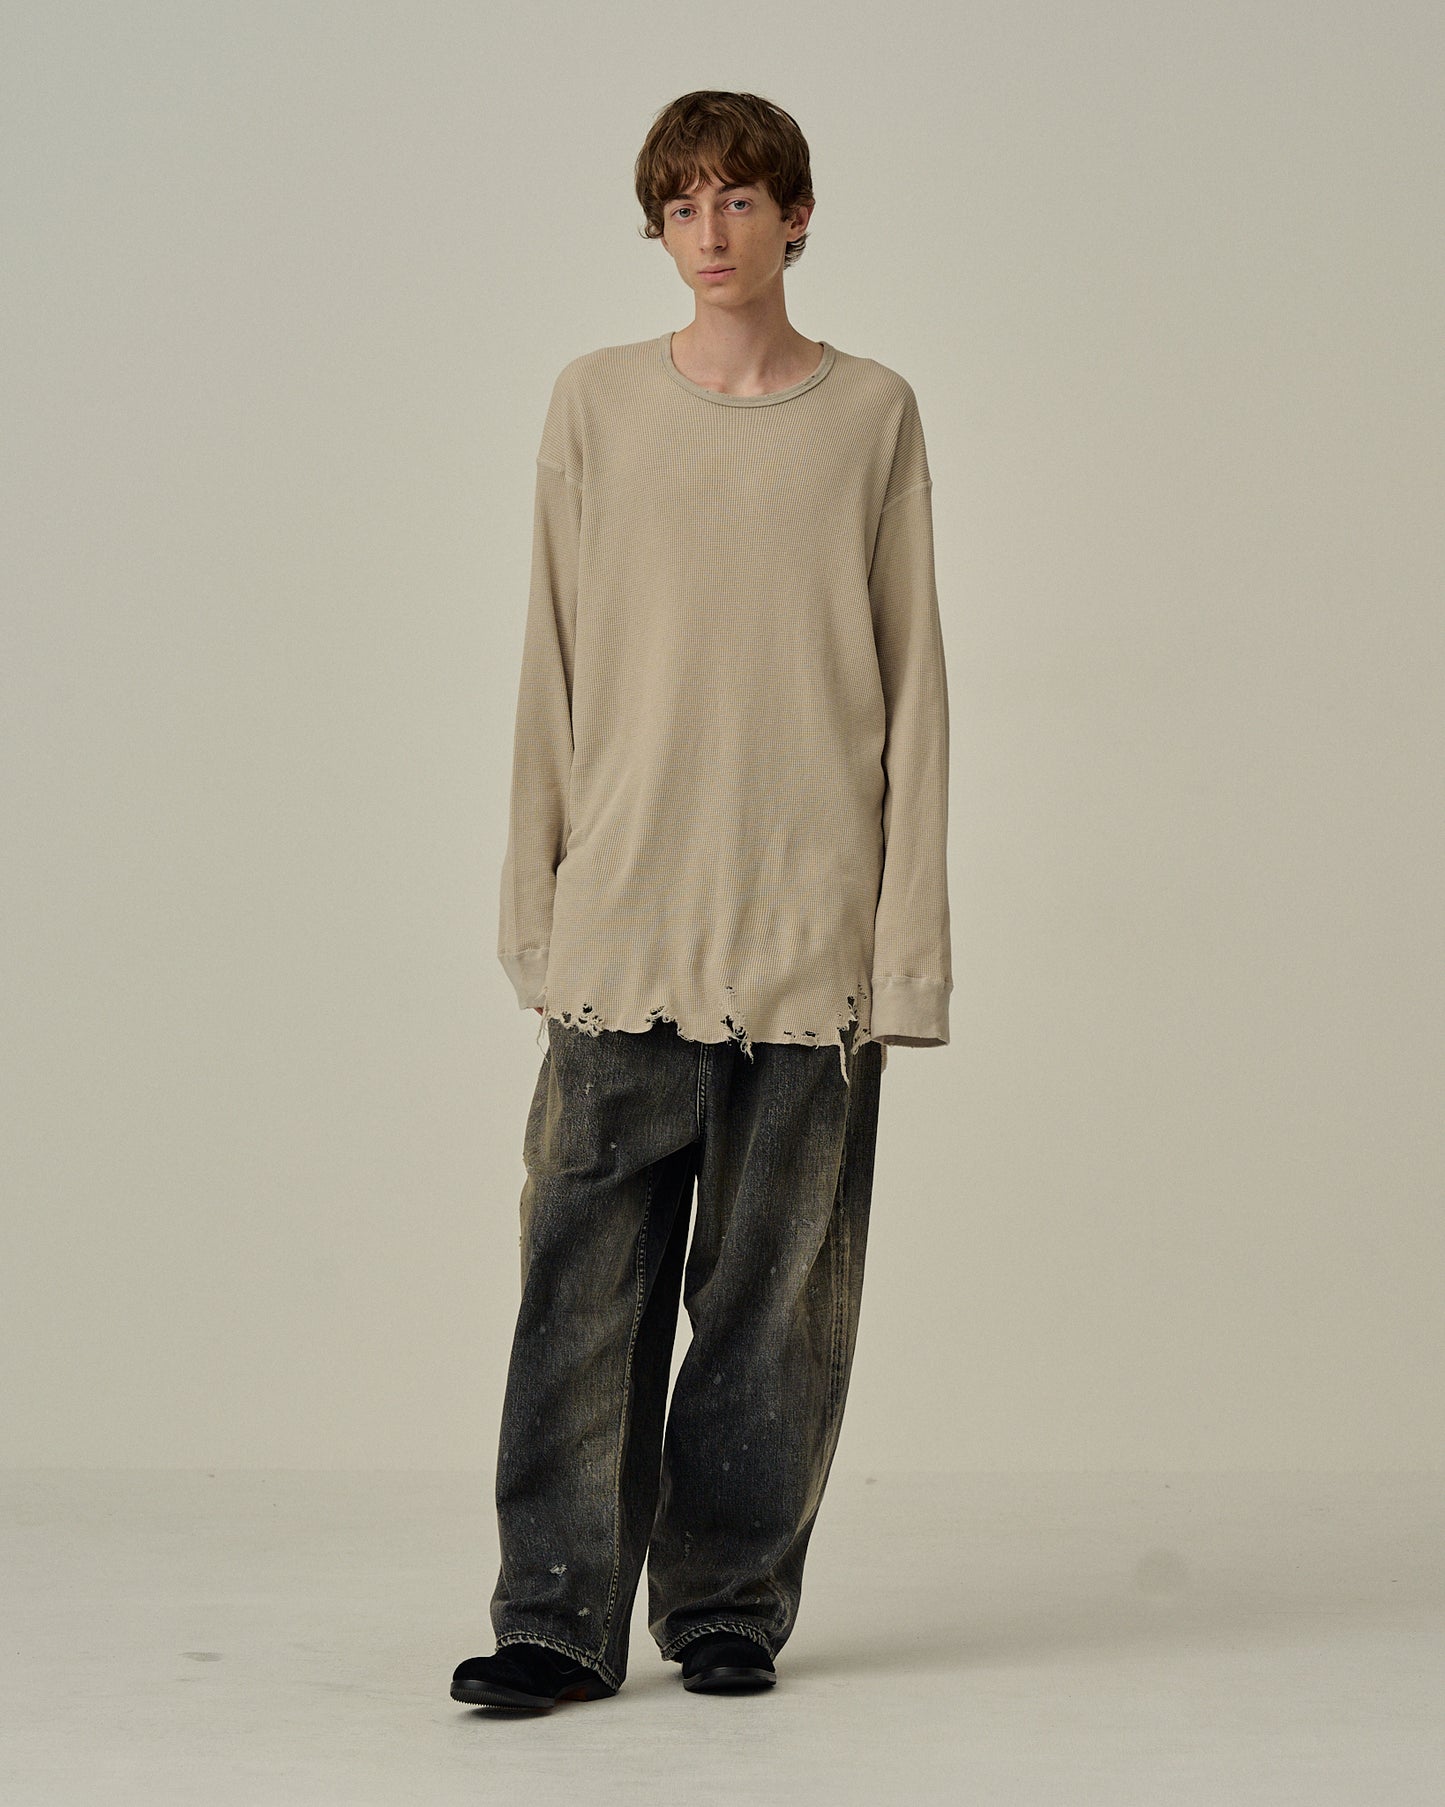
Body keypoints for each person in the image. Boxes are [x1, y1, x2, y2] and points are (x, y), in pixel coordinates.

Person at [451, 88, 951, 1712]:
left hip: (811, 929)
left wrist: (906, 955)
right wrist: (534, 905)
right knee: (580, 1287)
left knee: (773, 1300)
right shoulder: (594, 402)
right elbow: (549, 660)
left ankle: (728, 1605)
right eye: (683, 206)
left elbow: (914, 690)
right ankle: (554, 1616)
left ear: (796, 217)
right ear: (658, 228)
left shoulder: (871, 414)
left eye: (741, 201)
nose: (712, 232)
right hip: (624, 915)